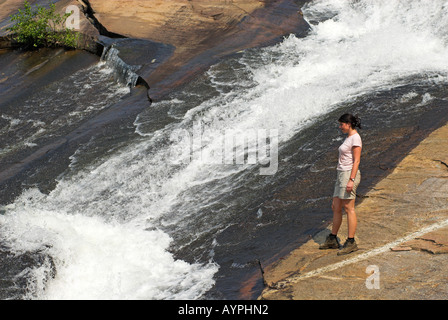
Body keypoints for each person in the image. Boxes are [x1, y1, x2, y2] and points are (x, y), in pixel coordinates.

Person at [320, 113, 362, 255]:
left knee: (349, 208)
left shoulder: (356, 138)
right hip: (340, 174)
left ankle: (351, 242)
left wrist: (351, 179)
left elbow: (356, 161)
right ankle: (332, 238)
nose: (340, 127)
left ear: (348, 124)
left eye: (341, 125)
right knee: (336, 206)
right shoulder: (349, 137)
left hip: (348, 175)